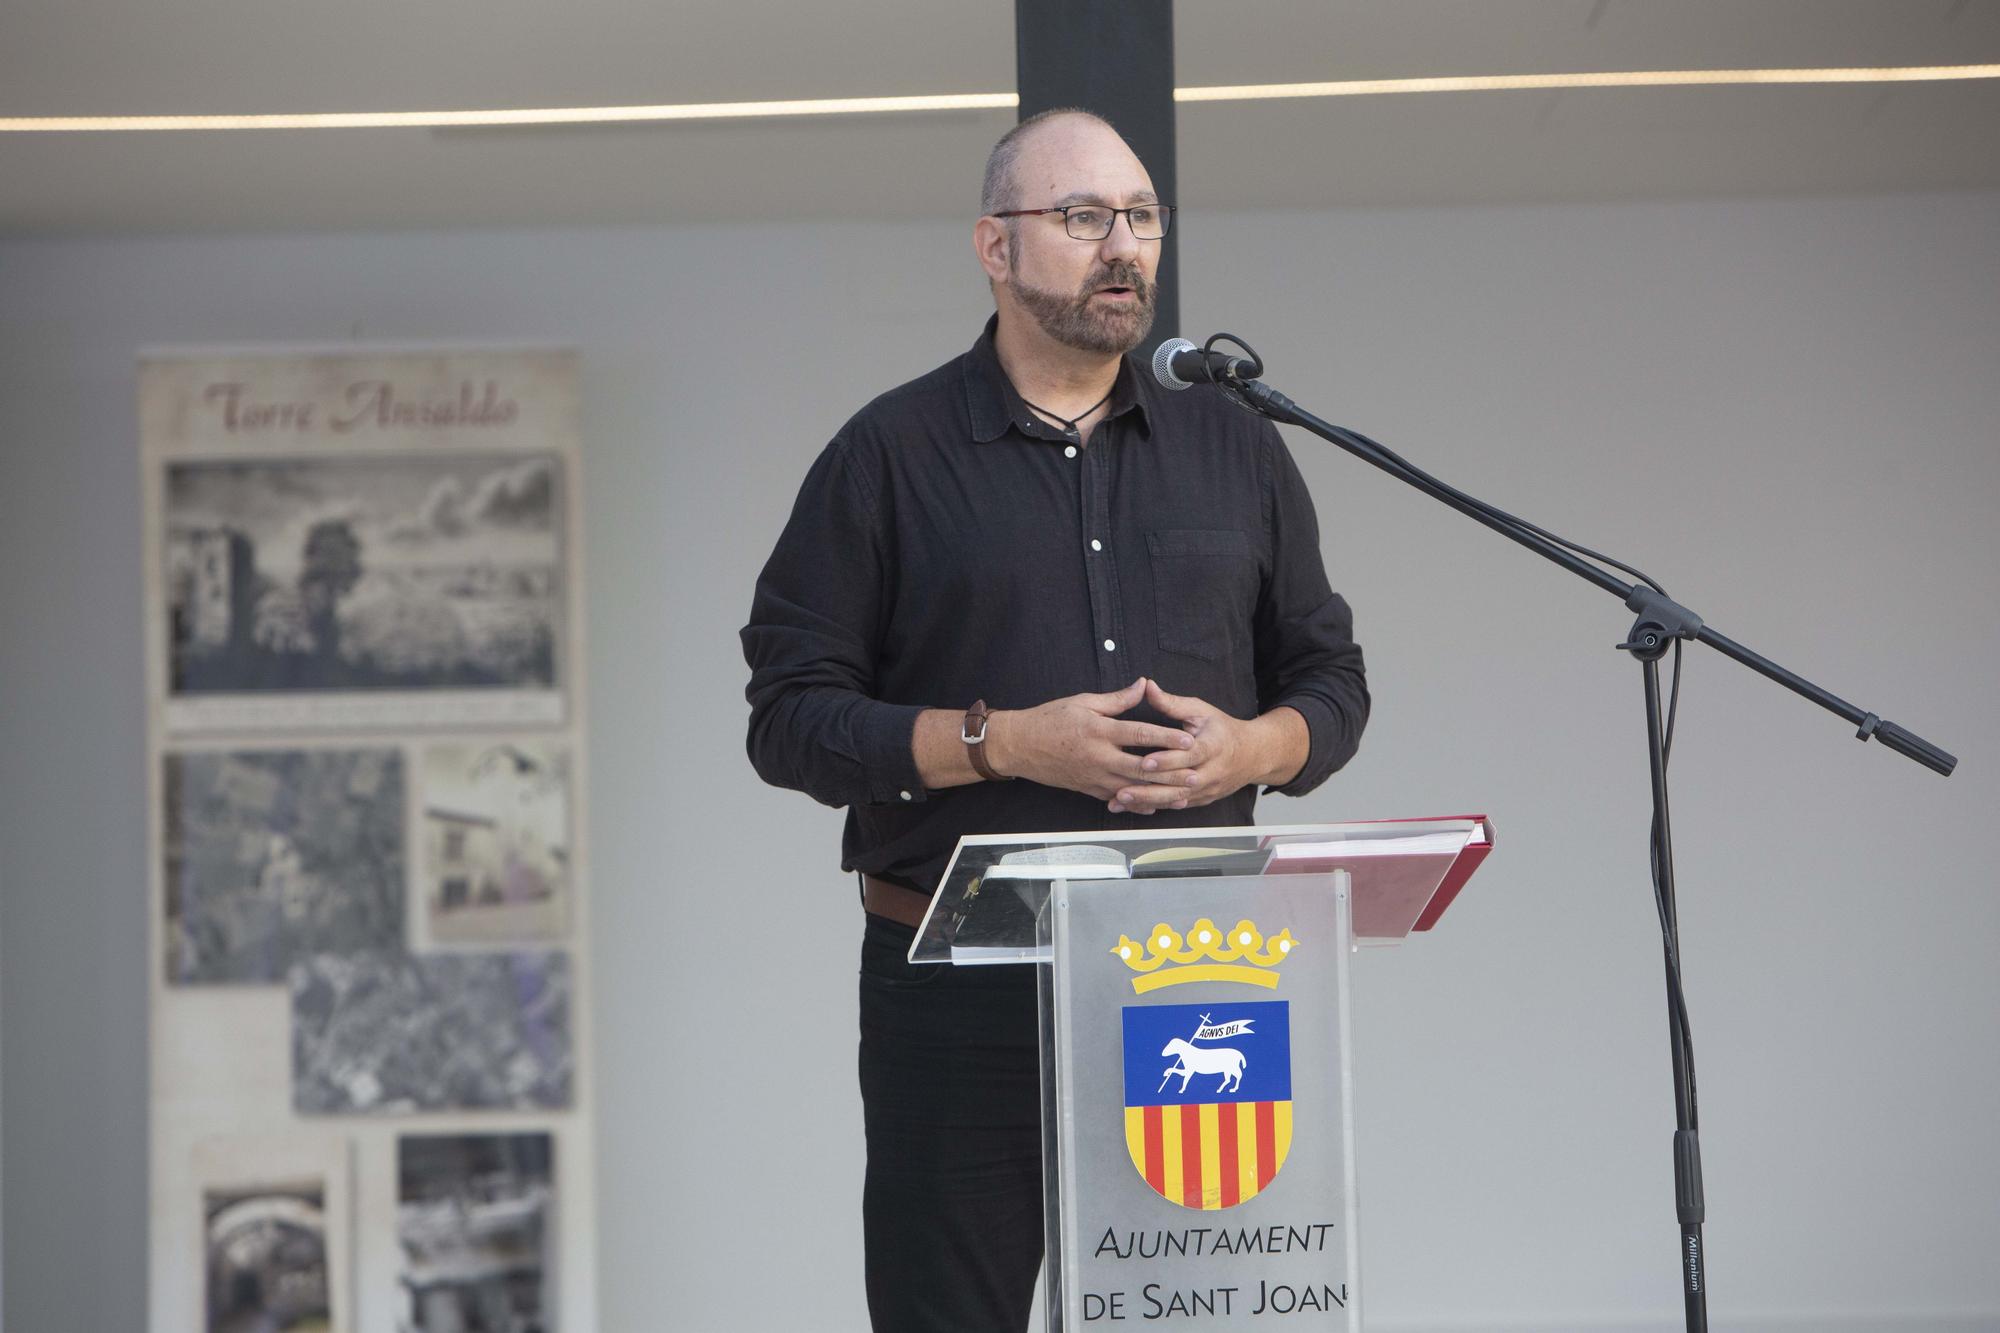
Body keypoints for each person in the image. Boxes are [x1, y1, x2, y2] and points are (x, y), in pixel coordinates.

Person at [741, 108, 1370, 1332]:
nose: (1121, 246)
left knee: (1203, 1315)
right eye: (1082, 218)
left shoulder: (1235, 449)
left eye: (1138, 217)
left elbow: (1330, 684)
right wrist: (1002, 744)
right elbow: (790, 718)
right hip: (956, 980)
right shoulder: (887, 457)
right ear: (994, 244)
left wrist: (1250, 748)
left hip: (1192, 974)